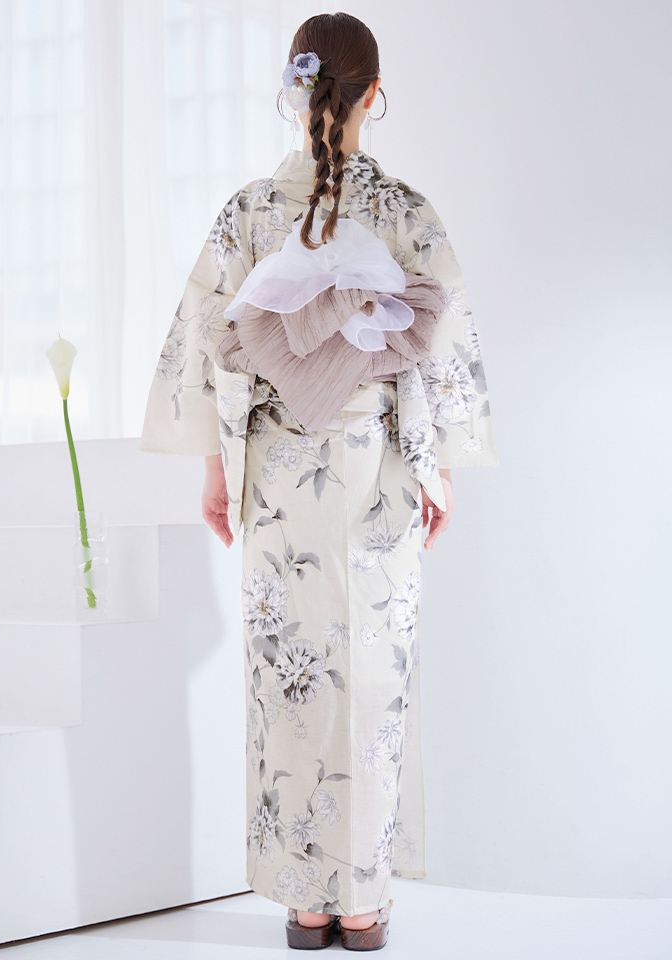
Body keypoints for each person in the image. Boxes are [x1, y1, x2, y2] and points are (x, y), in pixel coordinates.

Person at [139, 12, 498, 951]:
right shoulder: (405, 210)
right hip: (378, 463)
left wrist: (217, 470)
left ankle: (307, 903)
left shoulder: (250, 211)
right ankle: (364, 903)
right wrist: (439, 471)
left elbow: (209, 345)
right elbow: (441, 346)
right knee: (372, 673)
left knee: (290, 673)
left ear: (294, 91)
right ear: (374, 95)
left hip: (276, 473)